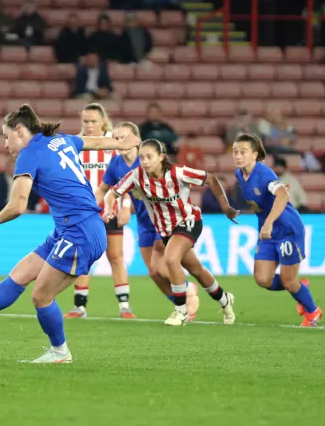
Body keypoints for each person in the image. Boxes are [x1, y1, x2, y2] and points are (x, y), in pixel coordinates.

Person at [0, 105, 139, 363]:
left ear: (20, 130)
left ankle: (60, 353)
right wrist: (126, 142)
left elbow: (18, 205)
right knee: (21, 273)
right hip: (71, 228)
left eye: (6, 137)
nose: (6, 145)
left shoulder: (29, 154)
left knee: (41, 296)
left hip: (79, 231)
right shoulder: (60, 140)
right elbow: (95, 142)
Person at [104, 139, 237, 326]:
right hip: (165, 230)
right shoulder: (136, 176)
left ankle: (180, 311)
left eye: (150, 157)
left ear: (161, 156)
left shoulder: (179, 173)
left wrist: (226, 207)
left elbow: (211, 179)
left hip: (189, 221)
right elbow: (112, 192)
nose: (145, 161)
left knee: (171, 258)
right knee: (196, 269)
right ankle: (225, 300)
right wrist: (109, 208)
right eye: (142, 157)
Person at [103, 122, 201, 321]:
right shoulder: (115, 164)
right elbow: (106, 189)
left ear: (136, 139)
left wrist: (124, 206)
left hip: (164, 218)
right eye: (116, 138)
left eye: (123, 137)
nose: (118, 141)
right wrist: (98, 206)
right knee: (154, 273)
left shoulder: (147, 161)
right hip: (143, 222)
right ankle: (180, 306)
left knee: (162, 260)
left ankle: (189, 290)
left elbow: (138, 185)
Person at [232, 134, 322, 327]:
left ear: (254, 155)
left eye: (243, 152)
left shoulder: (264, 173)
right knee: (263, 279)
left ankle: (313, 312)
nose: (238, 156)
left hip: (287, 229)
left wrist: (269, 222)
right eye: (235, 152)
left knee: (290, 282)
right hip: (268, 232)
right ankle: (300, 288)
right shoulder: (239, 174)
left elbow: (282, 194)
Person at [64, 104, 133, 319]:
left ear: (103, 121)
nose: (89, 125)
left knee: (115, 256)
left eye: (93, 121)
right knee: (83, 256)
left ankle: (124, 307)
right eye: (85, 121)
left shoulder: (115, 143)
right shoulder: (74, 144)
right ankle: (80, 307)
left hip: (111, 209)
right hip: (84, 212)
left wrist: (125, 206)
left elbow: (127, 177)